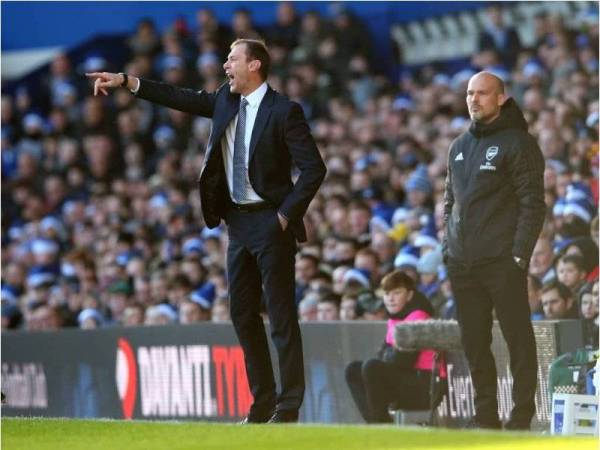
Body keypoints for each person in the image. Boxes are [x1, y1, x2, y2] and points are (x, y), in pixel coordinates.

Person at [87, 38, 326, 424]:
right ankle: (262, 402)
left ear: (255, 66)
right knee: (242, 314)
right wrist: (128, 81)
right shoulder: (224, 100)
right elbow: (180, 97)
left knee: (281, 316)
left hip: (270, 221)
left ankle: (289, 406)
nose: (225, 66)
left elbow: (314, 169)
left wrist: (284, 216)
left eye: (232, 59)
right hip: (237, 223)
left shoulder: (285, 111)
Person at [443, 72, 545, 430]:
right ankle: (485, 415)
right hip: (462, 264)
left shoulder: (519, 143)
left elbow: (533, 204)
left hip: (502, 262)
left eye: (482, 93)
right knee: (473, 342)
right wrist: (448, 249)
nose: (473, 99)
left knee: (517, 337)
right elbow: (449, 202)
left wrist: (518, 256)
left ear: (501, 97)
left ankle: (520, 416)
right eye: (470, 93)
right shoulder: (458, 146)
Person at [345, 270, 440, 423]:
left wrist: (389, 353)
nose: (390, 298)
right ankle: (375, 424)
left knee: (371, 367)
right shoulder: (396, 319)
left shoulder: (418, 317)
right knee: (353, 370)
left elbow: (403, 361)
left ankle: (381, 424)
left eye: (397, 293)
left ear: (409, 295)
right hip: (407, 381)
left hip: (426, 387)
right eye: (387, 293)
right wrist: (390, 353)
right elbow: (385, 356)